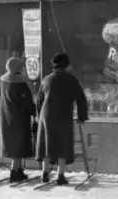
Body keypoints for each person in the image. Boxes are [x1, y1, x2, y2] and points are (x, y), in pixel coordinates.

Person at [35, 52, 89, 185]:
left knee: (47, 144)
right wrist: (82, 116)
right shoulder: (71, 79)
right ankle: (60, 175)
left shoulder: (46, 79)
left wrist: (38, 116)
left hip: (46, 115)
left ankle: (45, 172)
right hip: (63, 115)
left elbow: (39, 101)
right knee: (62, 145)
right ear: (66, 65)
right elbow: (81, 99)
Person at [0, 56, 37, 182]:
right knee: (19, 146)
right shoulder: (21, 83)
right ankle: (14, 173)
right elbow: (27, 102)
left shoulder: (1, 81)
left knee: (13, 146)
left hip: (6, 119)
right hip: (20, 119)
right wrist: (34, 112)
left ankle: (18, 171)